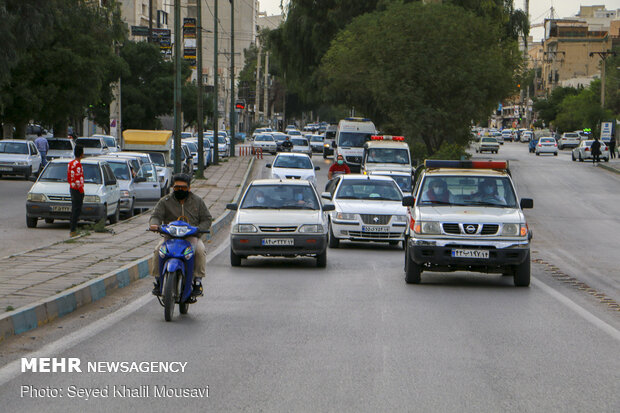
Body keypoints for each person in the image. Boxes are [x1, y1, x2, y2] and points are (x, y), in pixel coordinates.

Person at [149, 173, 212, 297]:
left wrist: (199, 229)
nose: (180, 190)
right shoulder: (165, 201)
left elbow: (207, 219)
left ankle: (198, 282)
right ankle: (158, 281)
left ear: (189, 188)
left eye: (183, 188)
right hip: (170, 238)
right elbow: (155, 216)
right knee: (158, 251)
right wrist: (154, 225)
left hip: (191, 237)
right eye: (177, 187)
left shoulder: (197, 201)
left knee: (200, 251)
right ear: (173, 187)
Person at [68, 145, 85, 237]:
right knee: (77, 210)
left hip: (72, 188)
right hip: (77, 190)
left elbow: (69, 177)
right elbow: (78, 179)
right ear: (81, 154)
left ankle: (72, 229)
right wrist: (81, 190)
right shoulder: (78, 164)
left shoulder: (70, 164)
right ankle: (73, 230)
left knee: (74, 209)